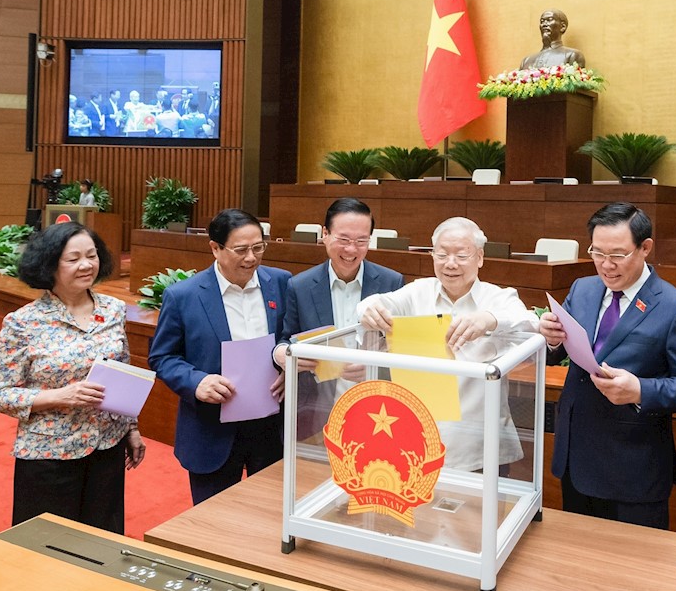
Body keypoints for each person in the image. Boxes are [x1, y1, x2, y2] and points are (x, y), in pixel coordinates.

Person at [539, 202, 676, 529]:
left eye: (618, 255)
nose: (606, 265)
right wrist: (551, 340)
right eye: (597, 253)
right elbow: (558, 352)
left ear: (645, 247)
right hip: (577, 458)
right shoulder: (582, 288)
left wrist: (640, 390)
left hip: (633, 470)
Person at [0, 223, 145, 533]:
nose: (86, 265)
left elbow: (122, 372)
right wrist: (60, 396)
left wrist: (132, 428)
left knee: (102, 541)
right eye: (73, 259)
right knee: (48, 547)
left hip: (107, 448)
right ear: (49, 265)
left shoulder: (114, 310)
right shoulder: (23, 322)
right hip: (49, 454)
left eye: (92, 256)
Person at [358, 217, 538, 471]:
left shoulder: (498, 297)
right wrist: (367, 308)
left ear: (480, 257)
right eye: (442, 255)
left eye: (461, 256)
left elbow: (531, 324)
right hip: (419, 443)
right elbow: (374, 303)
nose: (450, 264)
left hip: (479, 447)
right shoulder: (418, 292)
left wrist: (489, 319)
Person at [148, 209, 291, 505]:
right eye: (241, 250)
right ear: (215, 248)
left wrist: (289, 368)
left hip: (271, 427)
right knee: (213, 517)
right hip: (212, 427)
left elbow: (293, 335)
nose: (251, 258)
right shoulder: (183, 296)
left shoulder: (281, 282)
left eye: (258, 248)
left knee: (271, 513)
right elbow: (162, 357)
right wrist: (196, 382)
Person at [272, 198, 404, 438]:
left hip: (377, 413)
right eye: (343, 239)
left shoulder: (391, 282)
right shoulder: (300, 286)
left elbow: (403, 348)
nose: (351, 250)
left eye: (361, 241)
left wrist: (376, 367)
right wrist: (280, 353)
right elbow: (286, 339)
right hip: (317, 412)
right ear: (325, 234)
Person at [520, 9, 586, 69]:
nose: (544, 24)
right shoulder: (526, 61)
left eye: (549, 20)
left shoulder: (572, 55)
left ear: (562, 27)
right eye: (542, 21)